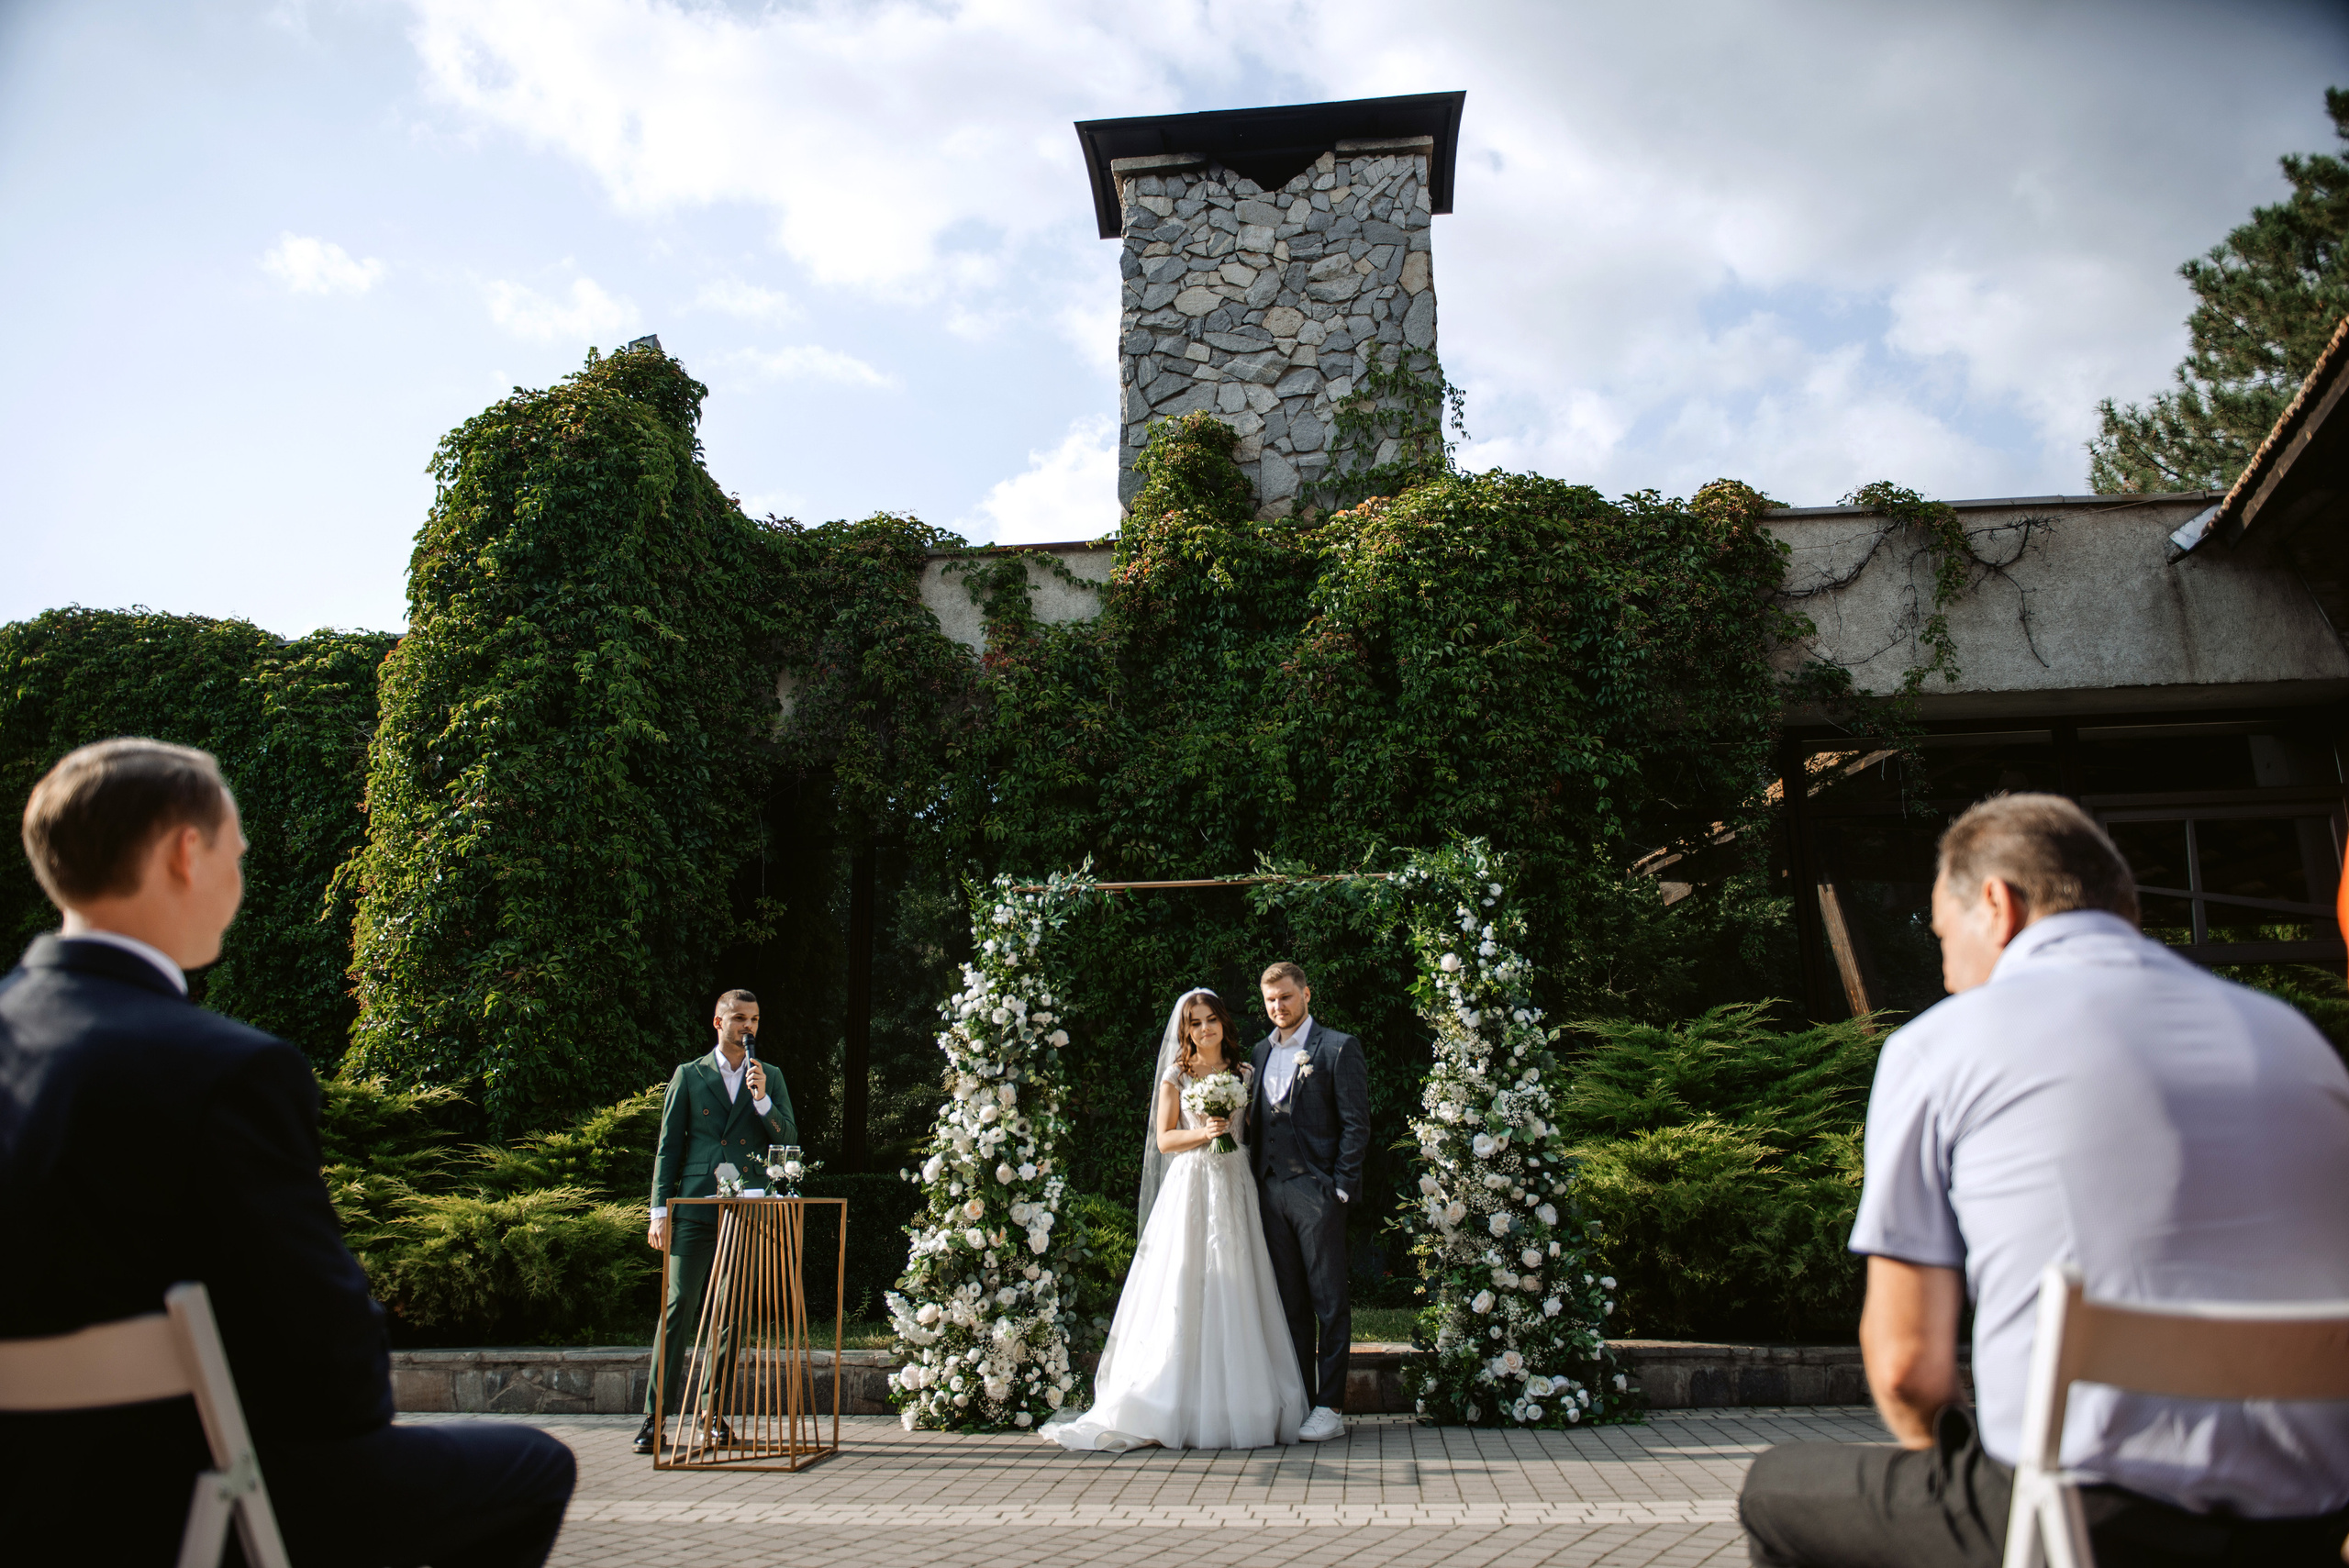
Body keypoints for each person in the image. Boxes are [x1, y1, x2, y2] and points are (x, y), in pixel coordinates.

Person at [0, 738, 575, 1567]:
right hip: (181, 1499)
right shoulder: (225, 1069)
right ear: (184, 853)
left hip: (17, 1497)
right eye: (237, 853)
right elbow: (334, 1374)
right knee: (533, 1464)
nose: (239, 882)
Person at [1739, 793, 2349, 1567]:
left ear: (1997, 903)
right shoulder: (2295, 1041)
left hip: (2084, 1521)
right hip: (2307, 1525)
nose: (1949, 973)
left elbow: (1907, 1372)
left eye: (1942, 936)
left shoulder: (1942, 1047)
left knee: (1777, 1489)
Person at [1042, 988, 1308, 1451]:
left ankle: (1240, 1404)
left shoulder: (1245, 1072)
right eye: (1195, 1023)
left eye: (1211, 1020)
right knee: (1187, 1281)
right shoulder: (1177, 1075)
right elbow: (1164, 1140)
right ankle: (1171, 1401)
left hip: (1236, 1185)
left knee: (1238, 1282)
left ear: (1224, 1023)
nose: (1205, 1029)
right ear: (1185, 1031)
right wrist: (1203, 1133)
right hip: (1192, 1184)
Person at [633, 987, 797, 1454]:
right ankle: (654, 1416)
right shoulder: (689, 1075)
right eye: (740, 1018)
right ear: (718, 1022)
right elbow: (668, 1148)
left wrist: (763, 1100)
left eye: (756, 1020)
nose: (749, 1027)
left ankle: (713, 1414)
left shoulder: (771, 1077)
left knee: (731, 1313)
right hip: (695, 1206)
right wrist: (659, 1211)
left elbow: (790, 1139)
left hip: (747, 1208)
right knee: (679, 1305)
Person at [1249, 962, 1369, 1444]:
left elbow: (1356, 1123)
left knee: (1328, 1301)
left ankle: (1330, 1405)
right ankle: (1300, 1397)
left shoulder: (1338, 1047)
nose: (1279, 1007)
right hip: (1269, 1190)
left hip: (1317, 1192)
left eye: (1286, 997)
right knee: (1288, 1304)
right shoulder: (1257, 1053)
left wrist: (1340, 1186)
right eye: (1271, 1000)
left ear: (1306, 994)